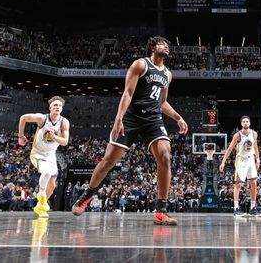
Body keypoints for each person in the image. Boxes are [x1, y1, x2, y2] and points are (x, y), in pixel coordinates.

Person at [71, 36, 188, 226]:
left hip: (153, 119)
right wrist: (119, 118)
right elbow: (128, 93)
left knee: (165, 156)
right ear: (152, 47)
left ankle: (161, 210)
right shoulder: (140, 65)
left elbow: (162, 101)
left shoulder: (167, 74)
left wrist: (177, 117)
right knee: (109, 160)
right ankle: (88, 194)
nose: (166, 47)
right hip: (131, 117)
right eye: (161, 44)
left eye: (167, 45)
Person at [19, 96, 70, 219]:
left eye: (59, 105)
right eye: (55, 105)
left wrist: (54, 137)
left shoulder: (64, 122)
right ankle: (41, 197)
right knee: (46, 172)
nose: (57, 107)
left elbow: (65, 142)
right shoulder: (42, 119)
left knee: (52, 186)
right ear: (50, 107)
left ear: (62, 109)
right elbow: (23, 118)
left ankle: (40, 206)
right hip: (38, 153)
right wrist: (20, 136)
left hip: (51, 155)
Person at [220, 116, 261, 217]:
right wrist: (223, 162)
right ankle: (236, 208)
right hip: (241, 160)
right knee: (238, 184)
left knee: (254, 183)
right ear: (241, 124)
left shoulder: (254, 133)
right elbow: (230, 149)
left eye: (247, 121)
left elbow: (255, 147)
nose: (246, 123)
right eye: (244, 121)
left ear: (250, 123)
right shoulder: (237, 135)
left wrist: (258, 160)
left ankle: (252, 208)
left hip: (251, 159)